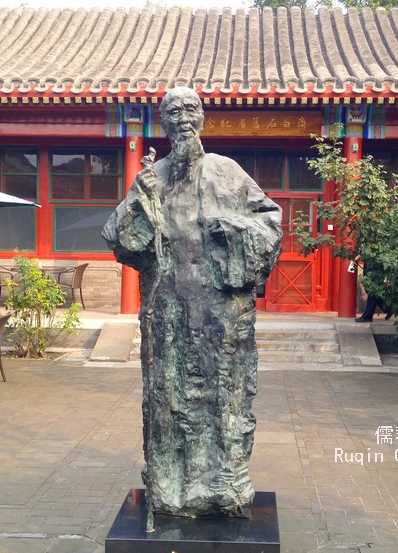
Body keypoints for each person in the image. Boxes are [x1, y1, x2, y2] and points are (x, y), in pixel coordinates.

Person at [102, 87, 283, 526]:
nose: (183, 119)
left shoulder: (228, 172)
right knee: (169, 401)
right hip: (168, 314)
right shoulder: (152, 178)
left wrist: (234, 228)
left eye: (190, 110)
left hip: (222, 315)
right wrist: (137, 203)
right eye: (173, 112)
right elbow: (120, 241)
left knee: (226, 400)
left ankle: (225, 486)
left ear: (202, 119)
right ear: (162, 123)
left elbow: (271, 221)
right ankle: (170, 486)